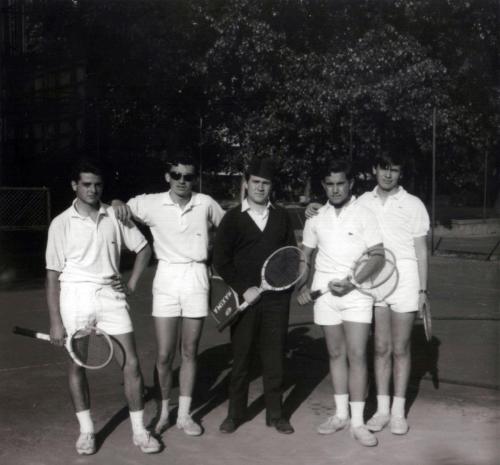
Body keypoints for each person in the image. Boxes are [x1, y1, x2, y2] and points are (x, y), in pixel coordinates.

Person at [306, 152, 430, 436]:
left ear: (401, 172)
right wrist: (312, 209)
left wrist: (423, 289)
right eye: (383, 169)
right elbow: (335, 206)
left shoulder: (414, 204)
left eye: (394, 169)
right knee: (380, 347)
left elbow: (421, 251)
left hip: (406, 279)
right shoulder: (362, 200)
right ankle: (382, 410)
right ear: (374, 170)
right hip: (373, 280)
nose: (388, 175)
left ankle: (398, 413)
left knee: (401, 348)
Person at [45, 159, 161, 455]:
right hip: (75, 299)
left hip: (111, 297)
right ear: (74, 186)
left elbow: (144, 249)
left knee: (131, 363)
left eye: (97, 184)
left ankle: (139, 432)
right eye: (86, 184)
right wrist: (55, 321)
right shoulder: (60, 223)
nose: (93, 189)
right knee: (76, 366)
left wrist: (132, 284)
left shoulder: (115, 215)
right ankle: (86, 432)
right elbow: (52, 275)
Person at [112, 154, 225, 436]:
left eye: (188, 176)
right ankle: (164, 411)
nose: (182, 181)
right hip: (166, 277)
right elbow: (120, 207)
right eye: (176, 175)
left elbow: (229, 229)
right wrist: (116, 202)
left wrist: (217, 264)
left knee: (189, 351)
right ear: (168, 177)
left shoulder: (206, 203)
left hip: (197, 276)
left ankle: (185, 416)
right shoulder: (149, 203)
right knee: (164, 355)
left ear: (194, 178)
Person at [297, 158, 384, 447]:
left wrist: (353, 283)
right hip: (324, 297)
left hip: (356, 295)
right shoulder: (315, 216)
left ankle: (358, 423)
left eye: (340, 184)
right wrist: (302, 286)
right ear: (324, 186)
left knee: (357, 355)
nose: (335, 190)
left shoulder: (365, 213)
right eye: (330, 184)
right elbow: (305, 257)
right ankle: (340, 414)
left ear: (351, 184)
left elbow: (378, 255)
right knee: (335, 354)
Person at [212, 157, 296, 435]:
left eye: (266, 183)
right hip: (244, 301)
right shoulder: (232, 218)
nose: (260, 187)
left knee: (274, 359)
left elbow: (290, 259)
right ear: (246, 184)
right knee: (242, 359)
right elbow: (220, 261)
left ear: (272, 186)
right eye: (256, 182)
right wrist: (241, 288)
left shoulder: (282, 216)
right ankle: (235, 414)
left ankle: (276, 414)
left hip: (275, 302)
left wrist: (281, 290)